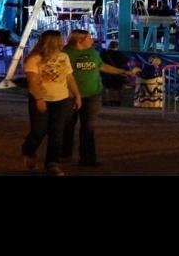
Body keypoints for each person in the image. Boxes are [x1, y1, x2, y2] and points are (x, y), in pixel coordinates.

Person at [60, 30, 135, 167]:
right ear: (79, 41)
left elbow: (101, 66)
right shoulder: (65, 54)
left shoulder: (93, 52)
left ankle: (87, 158)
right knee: (67, 126)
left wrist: (122, 71)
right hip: (69, 96)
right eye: (88, 38)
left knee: (88, 127)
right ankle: (65, 153)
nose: (92, 40)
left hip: (92, 95)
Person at [22, 30, 80, 175]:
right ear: (52, 42)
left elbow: (69, 77)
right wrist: (39, 99)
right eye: (60, 40)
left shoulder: (64, 57)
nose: (62, 42)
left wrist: (77, 95)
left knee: (57, 133)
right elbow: (32, 81)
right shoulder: (34, 59)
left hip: (61, 99)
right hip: (41, 99)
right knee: (38, 131)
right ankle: (28, 150)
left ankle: (52, 163)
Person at [99, 40, 130, 106]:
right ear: (117, 46)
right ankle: (118, 102)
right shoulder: (121, 54)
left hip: (107, 74)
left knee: (108, 88)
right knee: (118, 88)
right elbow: (127, 62)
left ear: (109, 45)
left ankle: (109, 101)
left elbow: (100, 63)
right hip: (118, 73)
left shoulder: (104, 54)